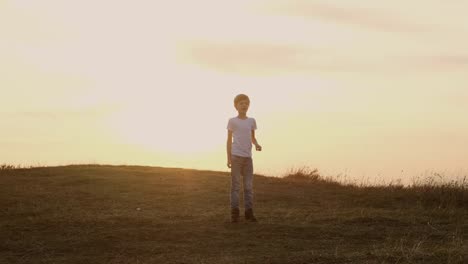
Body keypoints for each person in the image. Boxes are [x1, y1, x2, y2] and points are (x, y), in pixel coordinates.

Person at [226, 94, 262, 223]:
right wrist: (229, 158)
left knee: (248, 187)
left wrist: (257, 144)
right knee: (235, 186)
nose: (244, 105)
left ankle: (249, 213)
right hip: (236, 157)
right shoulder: (232, 121)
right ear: (236, 106)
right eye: (241, 103)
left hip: (248, 158)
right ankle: (235, 214)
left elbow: (252, 137)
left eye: (246, 103)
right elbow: (229, 141)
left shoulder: (251, 121)